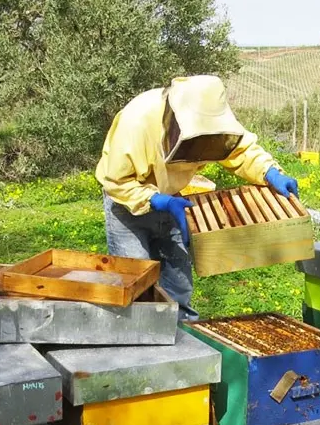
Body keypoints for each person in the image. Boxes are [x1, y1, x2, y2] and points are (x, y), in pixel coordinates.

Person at [96, 75, 299, 321]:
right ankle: (138, 345)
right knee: (135, 284)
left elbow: (240, 150)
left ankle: (186, 343)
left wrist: (269, 172)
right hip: (127, 204)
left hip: (173, 199)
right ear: (175, 120)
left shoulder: (210, 118)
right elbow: (117, 181)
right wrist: (161, 201)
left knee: (178, 282)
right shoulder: (137, 120)